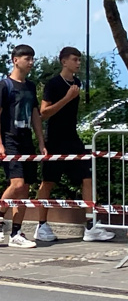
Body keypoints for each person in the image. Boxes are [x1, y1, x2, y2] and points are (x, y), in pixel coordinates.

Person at [34, 47, 115, 242]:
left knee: (87, 177)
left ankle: (90, 225)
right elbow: (43, 113)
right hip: (55, 139)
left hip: (73, 138)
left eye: (79, 60)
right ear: (64, 62)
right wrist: (67, 98)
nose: (78, 63)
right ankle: (41, 225)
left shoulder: (77, 83)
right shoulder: (53, 85)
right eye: (75, 60)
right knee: (48, 182)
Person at [0, 44, 47, 248]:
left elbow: (35, 114)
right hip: (10, 139)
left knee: (25, 189)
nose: (31, 62)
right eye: (27, 58)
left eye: (32, 59)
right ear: (16, 60)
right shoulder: (5, 85)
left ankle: (16, 233)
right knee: (17, 184)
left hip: (26, 139)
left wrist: (41, 142)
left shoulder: (30, 87)